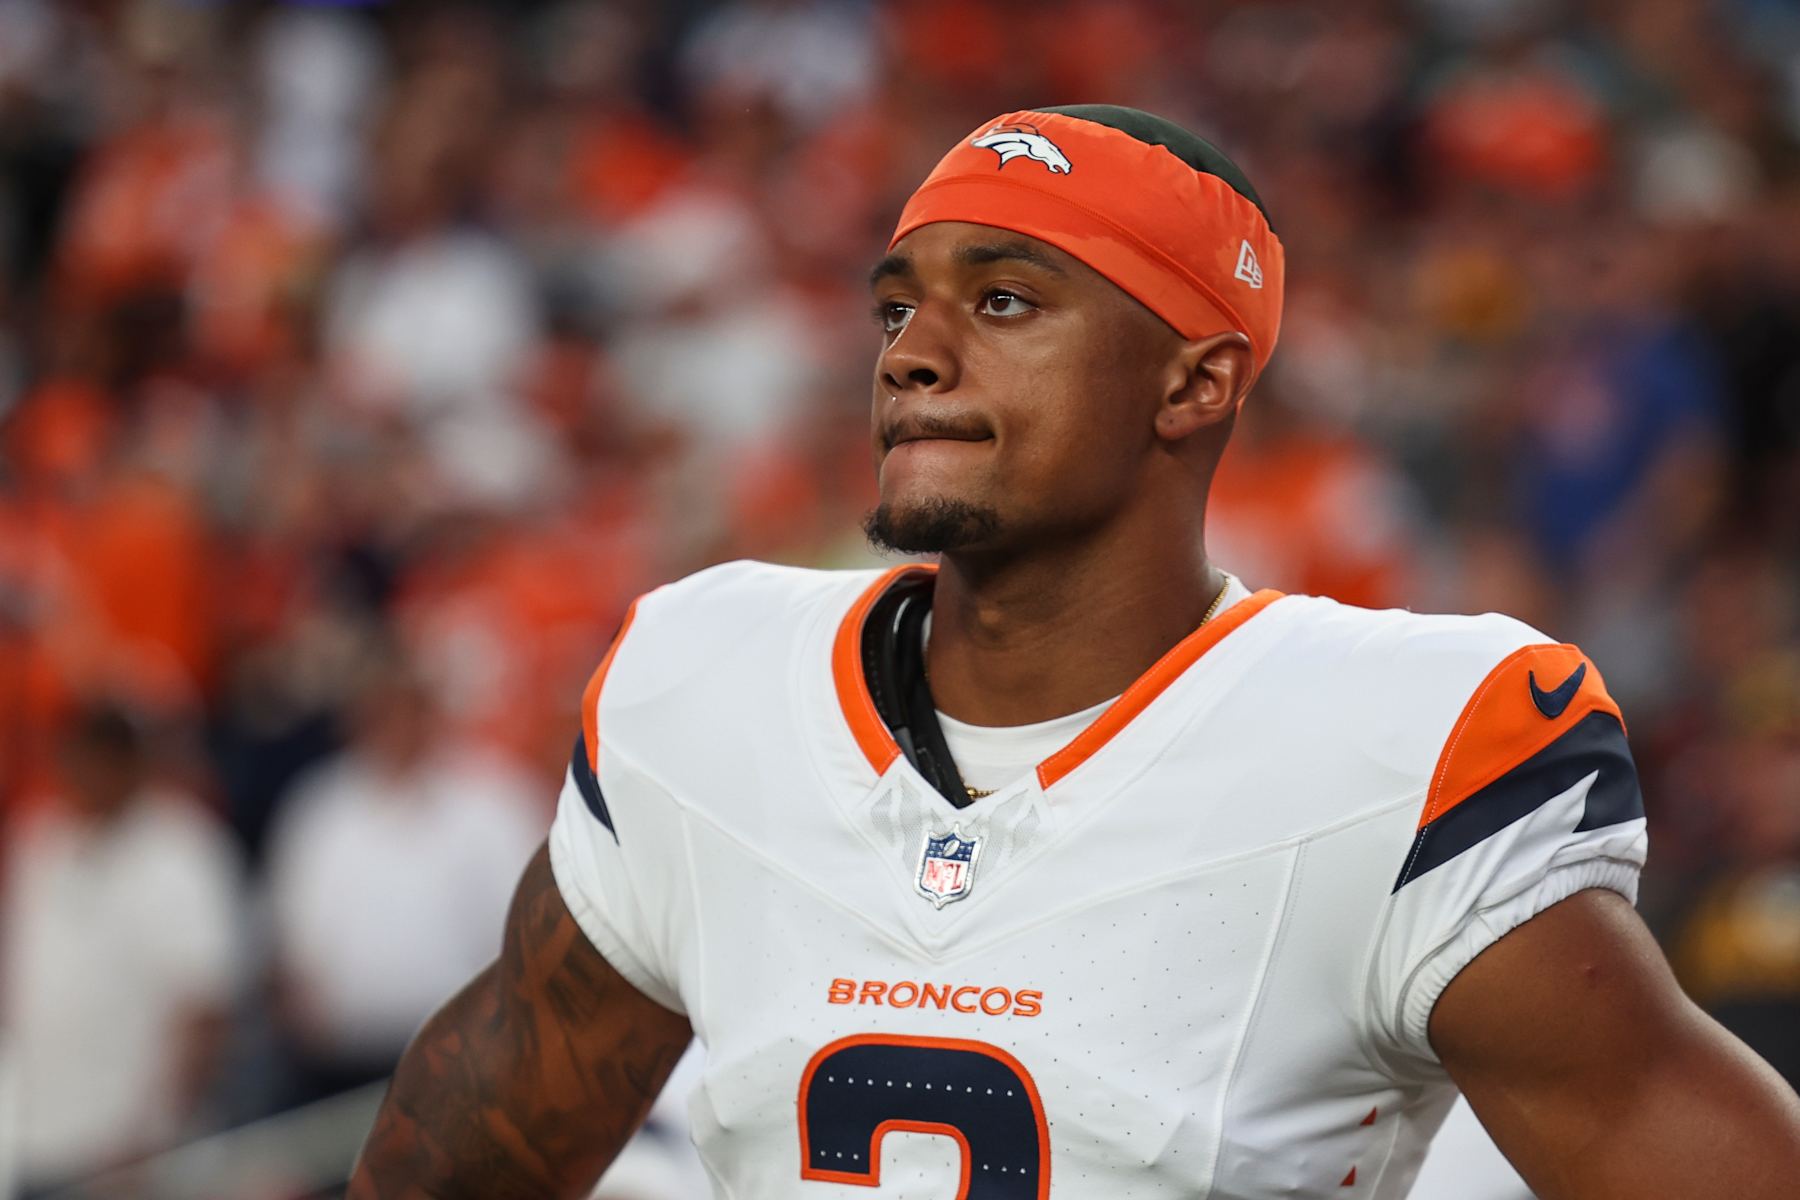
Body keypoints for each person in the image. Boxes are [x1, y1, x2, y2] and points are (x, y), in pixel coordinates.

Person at [348, 105, 1800, 1197]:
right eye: (898, 303)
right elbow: (468, 1154)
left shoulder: (1398, 749)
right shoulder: (702, 681)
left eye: (1003, 302)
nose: (913, 349)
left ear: (1196, 378)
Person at [1, 703, 241, 1190]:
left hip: (130, 1153)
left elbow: (204, 1008)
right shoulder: (39, 842)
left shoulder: (183, 851)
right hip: (34, 1136)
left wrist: (155, 1133)